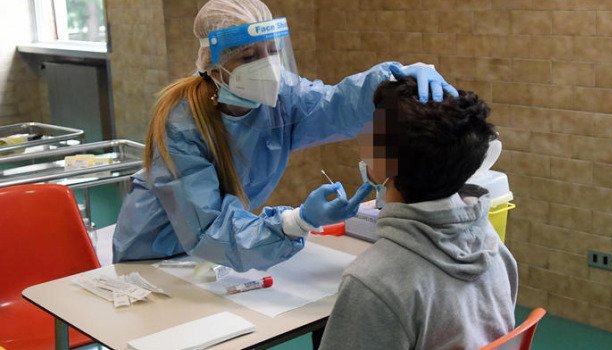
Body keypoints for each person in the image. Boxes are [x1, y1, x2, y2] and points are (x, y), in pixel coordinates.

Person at [112, 0, 458, 272]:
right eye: (249, 56)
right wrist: (297, 221)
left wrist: (388, 81)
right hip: (156, 257)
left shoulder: (281, 98)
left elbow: (335, 106)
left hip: (216, 255)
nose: (269, 67)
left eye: (272, 50)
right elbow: (207, 229)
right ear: (214, 66)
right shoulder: (182, 124)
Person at [319, 78, 518, 350]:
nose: (363, 139)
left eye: (372, 132)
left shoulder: (373, 282)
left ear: (386, 163)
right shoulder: (493, 245)